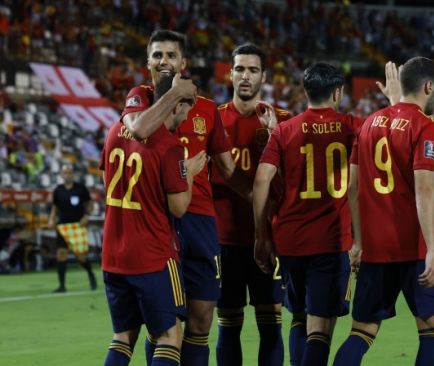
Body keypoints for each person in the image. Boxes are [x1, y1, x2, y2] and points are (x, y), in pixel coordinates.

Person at [120, 30, 250, 366]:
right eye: (157, 55)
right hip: (160, 220)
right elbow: (139, 130)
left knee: (202, 319)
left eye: (171, 55)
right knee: (163, 324)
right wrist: (174, 93)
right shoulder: (139, 99)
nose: (164, 61)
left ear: (183, 62)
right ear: (148, 62)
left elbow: (227, 168)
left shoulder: (206, 108)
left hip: (201, 221)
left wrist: (261, 198)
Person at [333, 57, 434, 366]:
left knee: (362, 331)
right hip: (413, 245)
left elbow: (353, 188)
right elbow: (424, 189)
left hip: (375, 247)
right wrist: (431, 249)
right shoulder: (426, 126)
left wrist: (357, 241)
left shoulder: (369, 123)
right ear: (428, 86)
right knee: (432, 329)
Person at [252, 62, 361, 366]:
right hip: (330, 240)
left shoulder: (285, 131)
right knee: (321, 328)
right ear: (337, 92)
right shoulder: (353, 126)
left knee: (298, 317)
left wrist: (261, 236)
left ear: (305, 90)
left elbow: (261, 180)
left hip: (289, 241)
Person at [100, 74, 206, 366]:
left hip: (113, 254)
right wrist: (190, 174)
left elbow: (105, 176)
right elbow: (179, 207)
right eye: (186, 109)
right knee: (169, 336)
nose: (186, 117)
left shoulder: (114, 132)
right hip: (152, 255)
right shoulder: (170, 146)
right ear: (174, 105)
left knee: (123, 336)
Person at [212, 43, 291, 366]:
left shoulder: (283, 121)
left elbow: (295, 183)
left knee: (271, 327)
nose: (246, 76)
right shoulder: (209, 120)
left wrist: (276, 136)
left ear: (264, 76)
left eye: (253, 70)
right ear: (230, 73)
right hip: (223, 240)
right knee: (227, 328)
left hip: (269, 239)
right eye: (240, 69)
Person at [48, 163, 96, 293]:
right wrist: (52, 218)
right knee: (61, 254)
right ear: (61, 175)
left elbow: (90, 203)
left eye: (69, 172)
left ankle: (91, 274)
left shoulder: (80, 189)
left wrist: (86, 215)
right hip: (63, 226)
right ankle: (62, 285)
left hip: (77, 226)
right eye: (65, 173)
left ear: (72, 174)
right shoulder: (58, 190)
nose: (67, 175)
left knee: (81, 257)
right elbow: (55, 207)